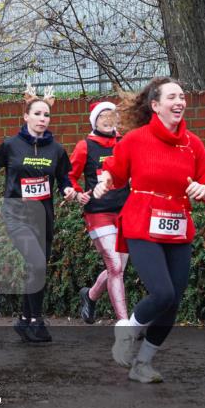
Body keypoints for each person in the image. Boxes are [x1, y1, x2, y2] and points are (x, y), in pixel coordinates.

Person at [95, 77, 205, 383]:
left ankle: (143, 364)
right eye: (172, 97)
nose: (179, 102)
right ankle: (127, 330)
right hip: (142, 223)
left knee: (173, 301)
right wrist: (104, 182)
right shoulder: (135, 140)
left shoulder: (193, 144)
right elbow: (114, 170)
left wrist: (203, 189)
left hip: (177, 225)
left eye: (182, 96)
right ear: (155, 106)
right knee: (162, 292)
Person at [0, 86, 77, 343]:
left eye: (46, 115)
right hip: (16, 215)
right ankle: (37, 321)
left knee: (38, 269)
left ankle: (24, 321)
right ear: (26, 116)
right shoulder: (11, 145)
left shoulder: (56, 150)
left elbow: (64, 178)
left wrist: (68, 190)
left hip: (43, 216)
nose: (42, 119)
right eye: (37, 114)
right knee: (35, 263)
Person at [72, 101, 131, 324]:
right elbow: (70, 176)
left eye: (112, 115)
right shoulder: (84, 146)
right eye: (102, 116)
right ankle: (124, 322)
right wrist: (78, 193)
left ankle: (90, 296)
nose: (108, 119)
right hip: (98, 213)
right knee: (115, 266)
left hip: (124, 212)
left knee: (118, 268)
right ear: (94, 120)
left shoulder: (124, 143)